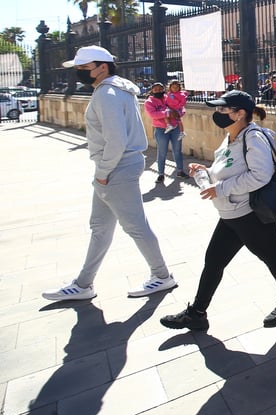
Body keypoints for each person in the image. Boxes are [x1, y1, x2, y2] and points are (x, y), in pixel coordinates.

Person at [160, 90, 276, 330]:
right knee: (214, 261)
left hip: (251, 215)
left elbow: (260, 175)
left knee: (273, 259)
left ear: (240, 114)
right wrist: (206, 172)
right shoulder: (232, 136)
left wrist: (221, 188)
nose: (217, 114)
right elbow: (228, 168)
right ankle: (197, 313)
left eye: (223, 109)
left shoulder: (253, 138)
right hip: (231, 213)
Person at [43, 46, 177, 301]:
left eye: (84, 68)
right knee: (100, 227)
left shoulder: (107, 94)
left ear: (102, 67)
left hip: (116, 168)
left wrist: (103, 172)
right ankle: (83, 284)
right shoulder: (118, 90)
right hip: (118, 166)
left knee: (134, 226)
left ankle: (162, 275)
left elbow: (116, 139)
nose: (80, 72)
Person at [143, 82, 188, 184]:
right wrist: (168, 113)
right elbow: (153, 114)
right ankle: (161, 174)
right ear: (152, 91)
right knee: (162, 152)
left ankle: (180, 171)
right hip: (161, 129)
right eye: (156, 89)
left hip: (175, 127)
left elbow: (181, 107)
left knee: (177, 150)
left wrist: (179, 113)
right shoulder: (149, 102)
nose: (158, 91)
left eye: (160, 89)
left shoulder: (169, 97)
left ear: (164, 89)